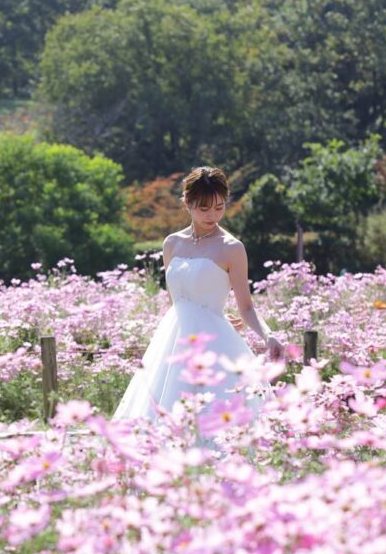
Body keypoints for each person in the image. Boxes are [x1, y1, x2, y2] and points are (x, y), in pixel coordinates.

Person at [112, 166, 283, 427]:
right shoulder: (172, 243)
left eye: (219, 206)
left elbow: (246, 306)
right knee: (162, 416)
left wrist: (268, 334)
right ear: (187, 203)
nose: (213, 215)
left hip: (214, 344)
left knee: (216, 419)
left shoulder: (232, 248)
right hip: (172, 340)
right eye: (204, 208)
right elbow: (177, 301)